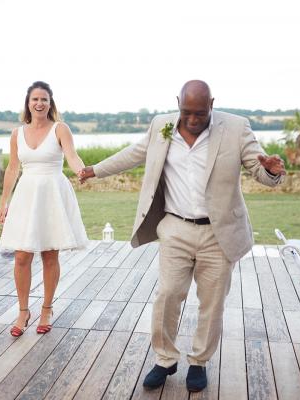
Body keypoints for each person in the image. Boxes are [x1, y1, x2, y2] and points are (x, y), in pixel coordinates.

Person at [80, 80, 285, 392]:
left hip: (219, 234)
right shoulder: (161, 126)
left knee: (212, 303)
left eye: (199, 113)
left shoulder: (236, 128)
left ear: (212, 104)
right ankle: (165, 359)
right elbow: (133, 154)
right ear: (177, 103)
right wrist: (94, 170)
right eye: (186, 112)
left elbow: (261, 170)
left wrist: (271, 171)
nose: (191, 119)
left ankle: (199, 361)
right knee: (168, 295)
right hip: (175, 228)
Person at [0, 81, 89, 337]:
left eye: (44, 99)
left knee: (50, 256)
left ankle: (47, 308)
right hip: (26, 196)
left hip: (52, 194)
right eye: (35, 99)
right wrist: (3, 202)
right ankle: (23, 311)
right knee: (21, 257)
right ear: (28, 103)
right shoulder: (17, 133)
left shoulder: (60, 128)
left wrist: (81, 170)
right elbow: (13, 168)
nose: (39, 103)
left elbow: (71, 155)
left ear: (51, 104)